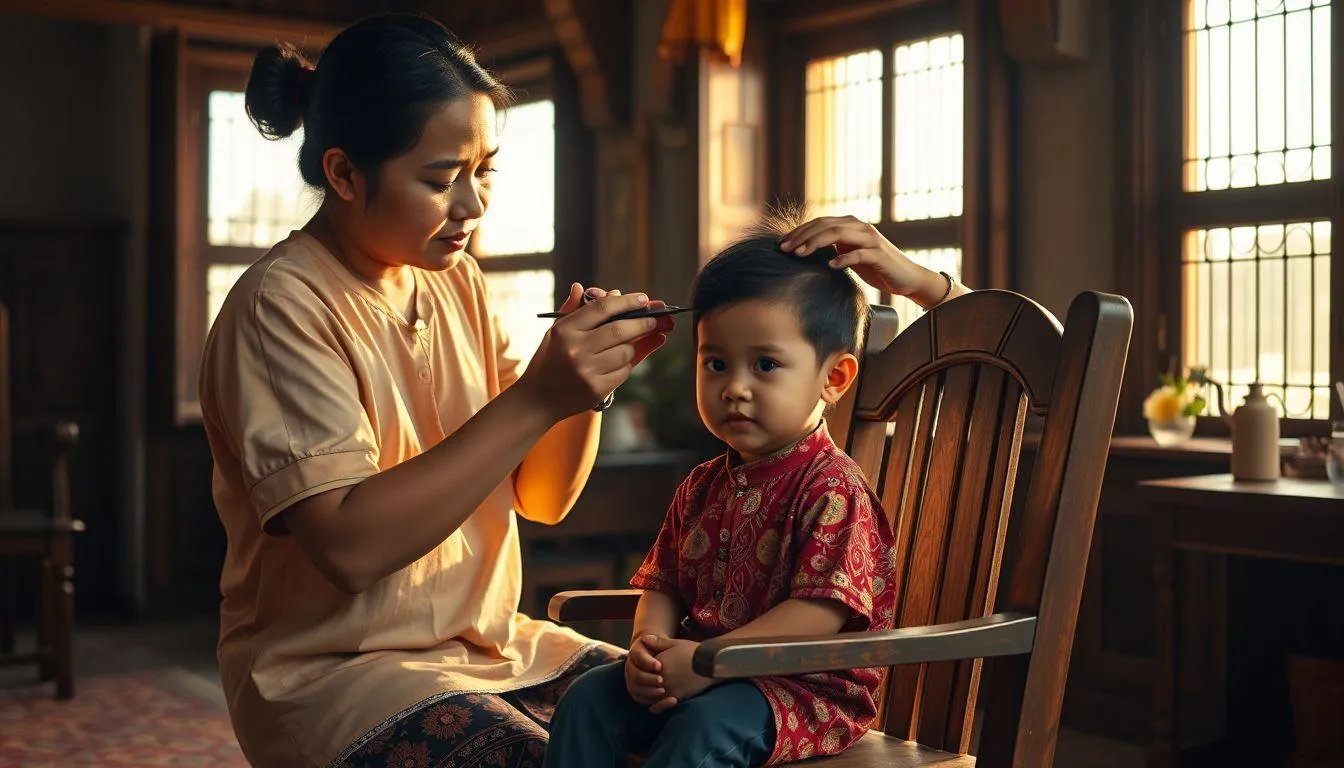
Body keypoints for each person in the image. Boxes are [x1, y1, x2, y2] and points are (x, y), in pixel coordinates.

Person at [198, 14, 678, 768]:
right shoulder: (279, 306)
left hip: (496, 648)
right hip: (342, 677)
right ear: (345, 174)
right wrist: (538, 396)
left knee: (696, 720)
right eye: (439, 178)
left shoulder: (458, 282)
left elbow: (542, 499)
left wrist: (584, 386)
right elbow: (350, 549)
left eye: (483, 169)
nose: (473, 205)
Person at [541, 208, 971, 768]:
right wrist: (649, 647)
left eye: (765, 364)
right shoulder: (701, 485)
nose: (734, 388)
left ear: (833, 378)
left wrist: (707, 660)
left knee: (704, 728)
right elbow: (665, 583)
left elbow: (820, 614)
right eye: (715, 363)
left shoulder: (831, 487)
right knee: (589, 700)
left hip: (798, 691)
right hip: (702, 672)